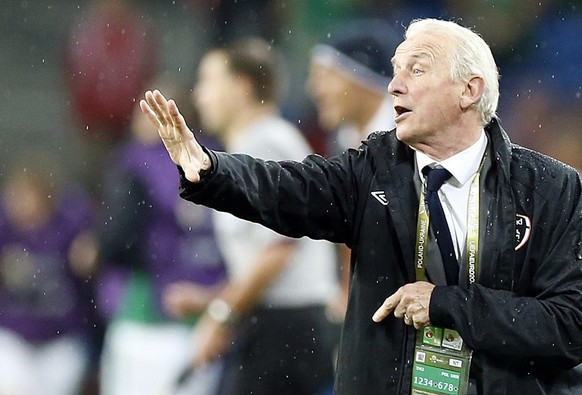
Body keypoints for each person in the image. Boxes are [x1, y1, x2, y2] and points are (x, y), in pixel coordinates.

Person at [140, 18, 582, 395]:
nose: (394, 84)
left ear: (469, 90)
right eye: (395, 69)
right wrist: (212, 170)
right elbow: (290, 187)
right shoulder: (374, 167)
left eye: (417, 69)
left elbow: (568, 326)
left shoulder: (551, 189)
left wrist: (448, 304)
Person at [182, 37, 339, 395]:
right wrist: (211, 298)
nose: (199, 95)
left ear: (242, 88)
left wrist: (220, 316)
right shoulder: (259, 143)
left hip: (288, 327)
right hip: (282, 324)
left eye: (208, 81)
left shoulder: (266, 145)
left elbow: (279, 250)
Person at [70, 96, 228, 395]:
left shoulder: (138, 159)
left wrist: (96, 248)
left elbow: (119, 234)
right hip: (206, 315)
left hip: (147, 312)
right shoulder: (218, 155)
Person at [0, 151, 95, 395]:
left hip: (61, 338)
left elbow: (89, 268)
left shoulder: (68, 228)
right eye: (14, 196)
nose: (17, 203)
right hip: (14, 336)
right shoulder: (5, 229)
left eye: (25, 196)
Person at [307, 18, 400, 156]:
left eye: (324, 77)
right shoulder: (341, 143)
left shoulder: (410, 142)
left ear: (363, 81)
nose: (313, 90)